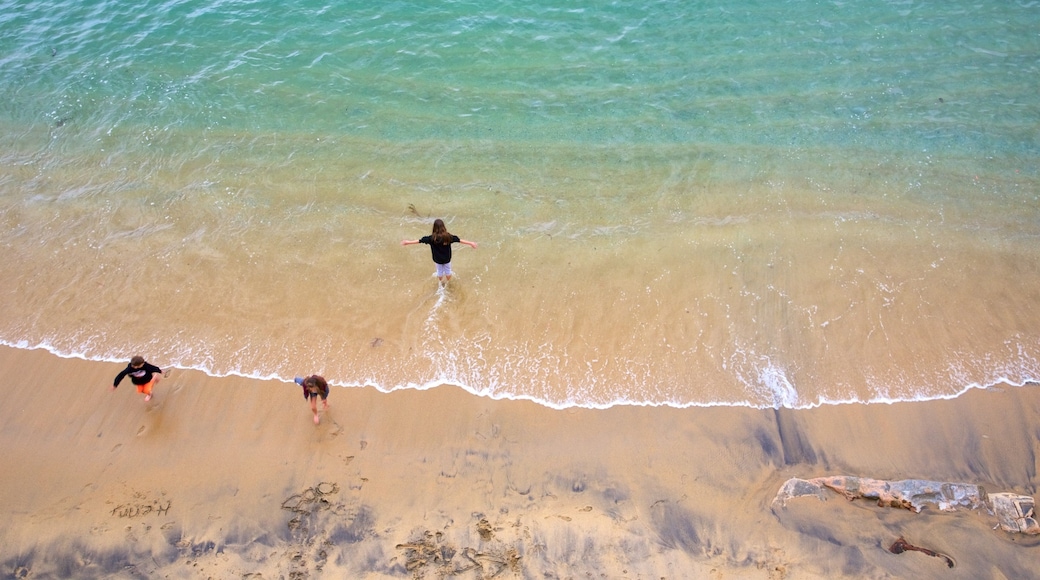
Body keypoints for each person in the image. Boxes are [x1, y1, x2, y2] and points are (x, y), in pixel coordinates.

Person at [401, 218, 478, 282]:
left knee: (439, 272)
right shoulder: (448, 237)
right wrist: (471, 243)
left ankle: (441, 284)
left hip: (437, 259)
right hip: (447, 258)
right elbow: (459, 240)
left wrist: (408, 242)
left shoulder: (431, 238)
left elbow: (420, 241)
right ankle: (448, 283)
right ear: (443, 227)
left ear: (434, 228)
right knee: (448, 271)